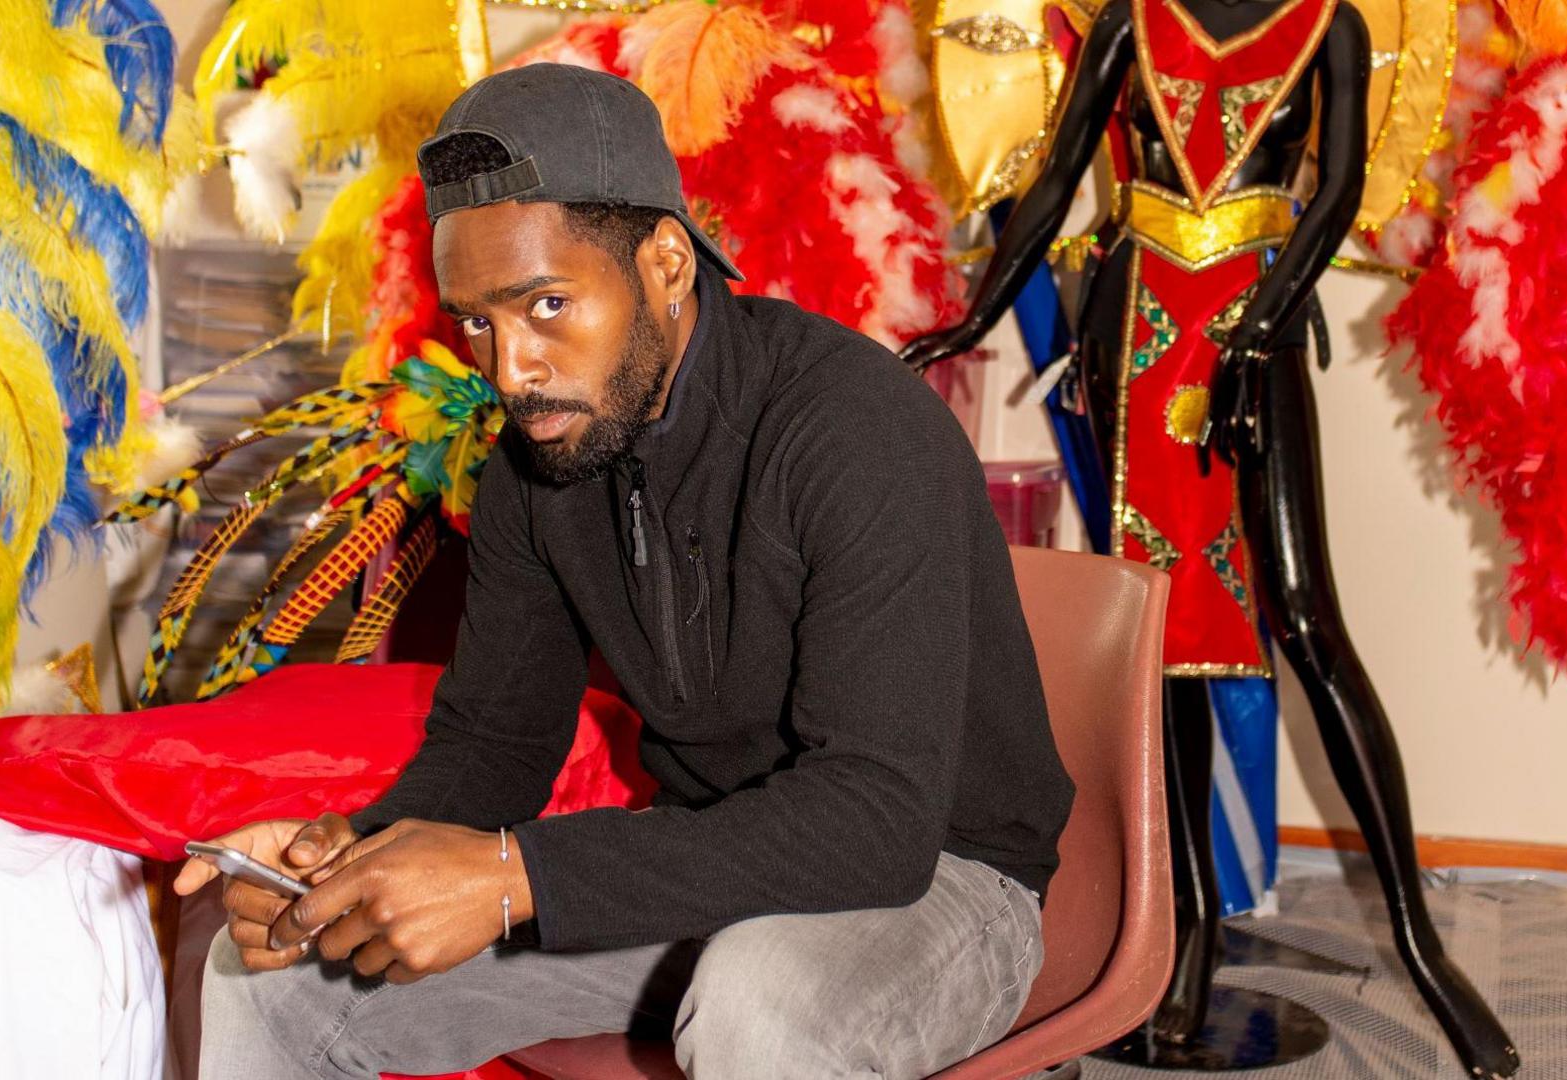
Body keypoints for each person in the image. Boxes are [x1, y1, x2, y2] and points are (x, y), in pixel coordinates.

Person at [179, 63, 1074, 1080]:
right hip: (703, 864)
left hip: (940, 882)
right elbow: (492, 743)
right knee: (275, 978)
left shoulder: (855, 430)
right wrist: (357, 861)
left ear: (665, 263)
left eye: (548, 302)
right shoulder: (542, 457)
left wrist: (516, 878)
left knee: (761, 996)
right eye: (478, 320)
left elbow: (876, 822)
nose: (511, 368)